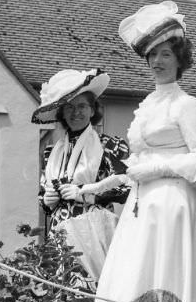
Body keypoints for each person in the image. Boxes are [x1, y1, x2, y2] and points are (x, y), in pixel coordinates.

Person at [76, 1, 196, 302]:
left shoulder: (186, 105)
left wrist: (158, 167)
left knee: (166, 276)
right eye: (152, 55)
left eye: (165, 54)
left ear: (179, 59)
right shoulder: (147, 106)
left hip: (172, 204)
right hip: (141, 207)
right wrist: (102, 185)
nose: (157, 61)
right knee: (131, 274)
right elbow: (135, 168)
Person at [32, 69, 129, 238]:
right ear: (62, 113)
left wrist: (85, 194)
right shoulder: (52, 153)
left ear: (92, 111)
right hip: (59, 232)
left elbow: (126, 188)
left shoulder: (109, 146)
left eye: (82, 106)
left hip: (95, 231)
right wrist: (47, 201)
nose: (76, 112)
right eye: (69, 107)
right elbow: (43, 194)